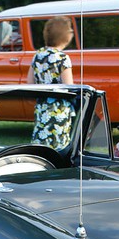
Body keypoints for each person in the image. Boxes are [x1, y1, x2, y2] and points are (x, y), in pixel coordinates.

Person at [27, 16, 75, 149]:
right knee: (59, 147)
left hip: (42, 108)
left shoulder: (37, 56)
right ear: (66, 36)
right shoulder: (63, 58)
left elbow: (29, 83)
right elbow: (69, 88)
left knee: (41, 146)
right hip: (59, 110)